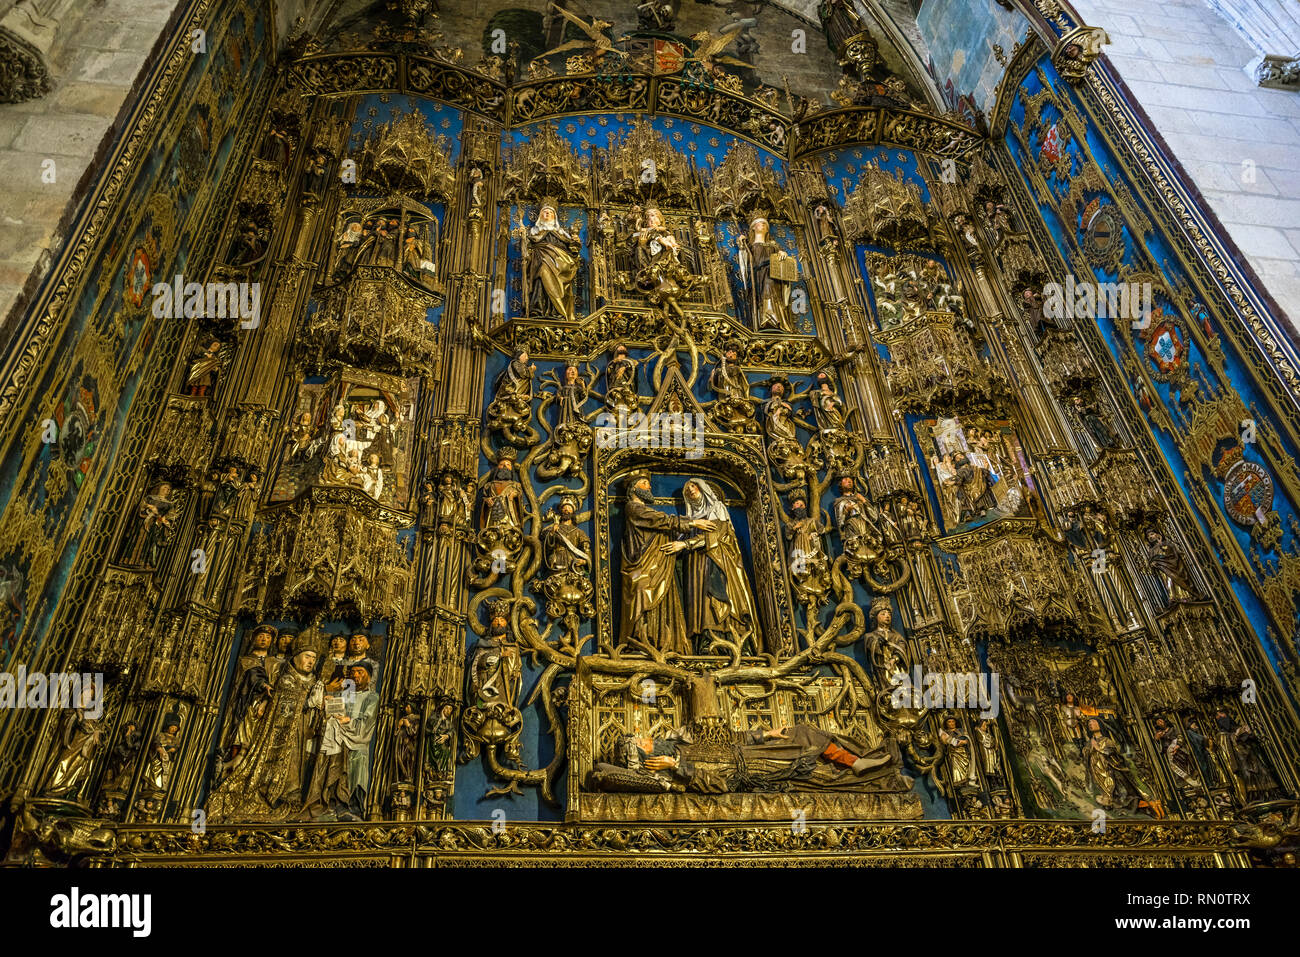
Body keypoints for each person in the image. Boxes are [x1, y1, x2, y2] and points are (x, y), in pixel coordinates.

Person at [590, 722, 904, 794]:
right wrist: (677, 769)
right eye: (643, 740)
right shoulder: (672, 773)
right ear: (644, 753)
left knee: (801, 730)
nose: (648, 736)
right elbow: (719, 786)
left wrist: (763, 735)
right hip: (753, 767)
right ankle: (858, 770)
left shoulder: (678, 745)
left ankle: (856, 761)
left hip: (751, 751)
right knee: (810, 761)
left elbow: (724, 741)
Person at [618, 471, 712, 654]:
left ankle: (667, 645)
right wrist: (693, 523)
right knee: (642, 595)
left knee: (666, 601)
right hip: (643, 566)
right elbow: (658, 520)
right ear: (634, 487)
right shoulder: (633, 507)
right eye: (645, 483)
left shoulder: (646, 510)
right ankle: (641, 644)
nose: (650, 486)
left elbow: (662, 527)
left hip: (660, 565)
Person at [674, 479, 760, 655]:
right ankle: (705, 642)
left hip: (717, 560)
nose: (690, 490)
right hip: (695, 565)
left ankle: (733, 642)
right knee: (700, 601)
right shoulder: (690, 520)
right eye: (687, 490)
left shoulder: (717, 508)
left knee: (716, 596)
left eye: (693, 486)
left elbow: (717, 533)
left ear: (703, 489)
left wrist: (685, 545)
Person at [304, 662, 379, 820]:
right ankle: (330, 803)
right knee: (332, 765)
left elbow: (367, 723)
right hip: (338, 741)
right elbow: (327, 714)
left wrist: (349, 722)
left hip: (357, 743)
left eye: (360, 672)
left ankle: (352, 808)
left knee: (355, 773)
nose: (355, 676)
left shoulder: (372, 697)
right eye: (353, 673)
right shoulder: (344, 694)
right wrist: (329, 702)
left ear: (370, 677)